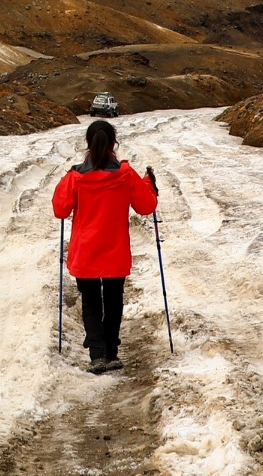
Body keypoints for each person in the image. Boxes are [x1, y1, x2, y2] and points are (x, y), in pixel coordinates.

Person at [52, 119, 158, 373]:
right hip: (115, 249)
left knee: (90, 301)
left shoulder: (76, 176)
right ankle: (111, 353)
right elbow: (146, 206)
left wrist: (67, 181)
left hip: (85, 251)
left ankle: (97, 355)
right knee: (113, 301)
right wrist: (148, 183)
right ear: (114, 144)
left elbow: (60, 209)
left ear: (88, 143)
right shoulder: (125, 175)